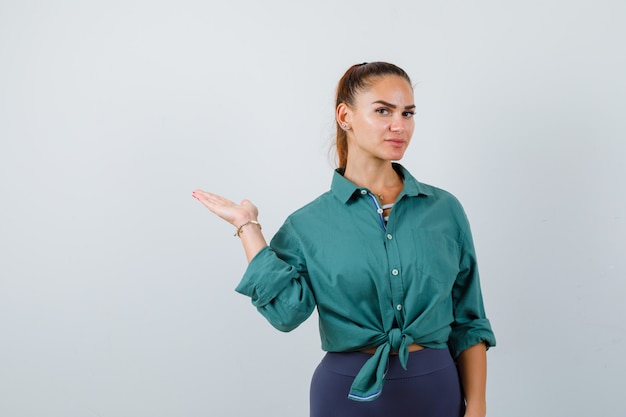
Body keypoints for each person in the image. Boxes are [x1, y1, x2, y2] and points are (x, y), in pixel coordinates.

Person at [192, 62, 496, 417]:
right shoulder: (308, 224)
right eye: (383, 111)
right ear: (345, 116)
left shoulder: (444, 210)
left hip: (437, 391)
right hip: (345, 397)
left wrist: (476, 407)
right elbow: (287, 314)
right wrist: (248, 226)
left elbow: (469, 319)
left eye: (408, 113)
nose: (399, 125)